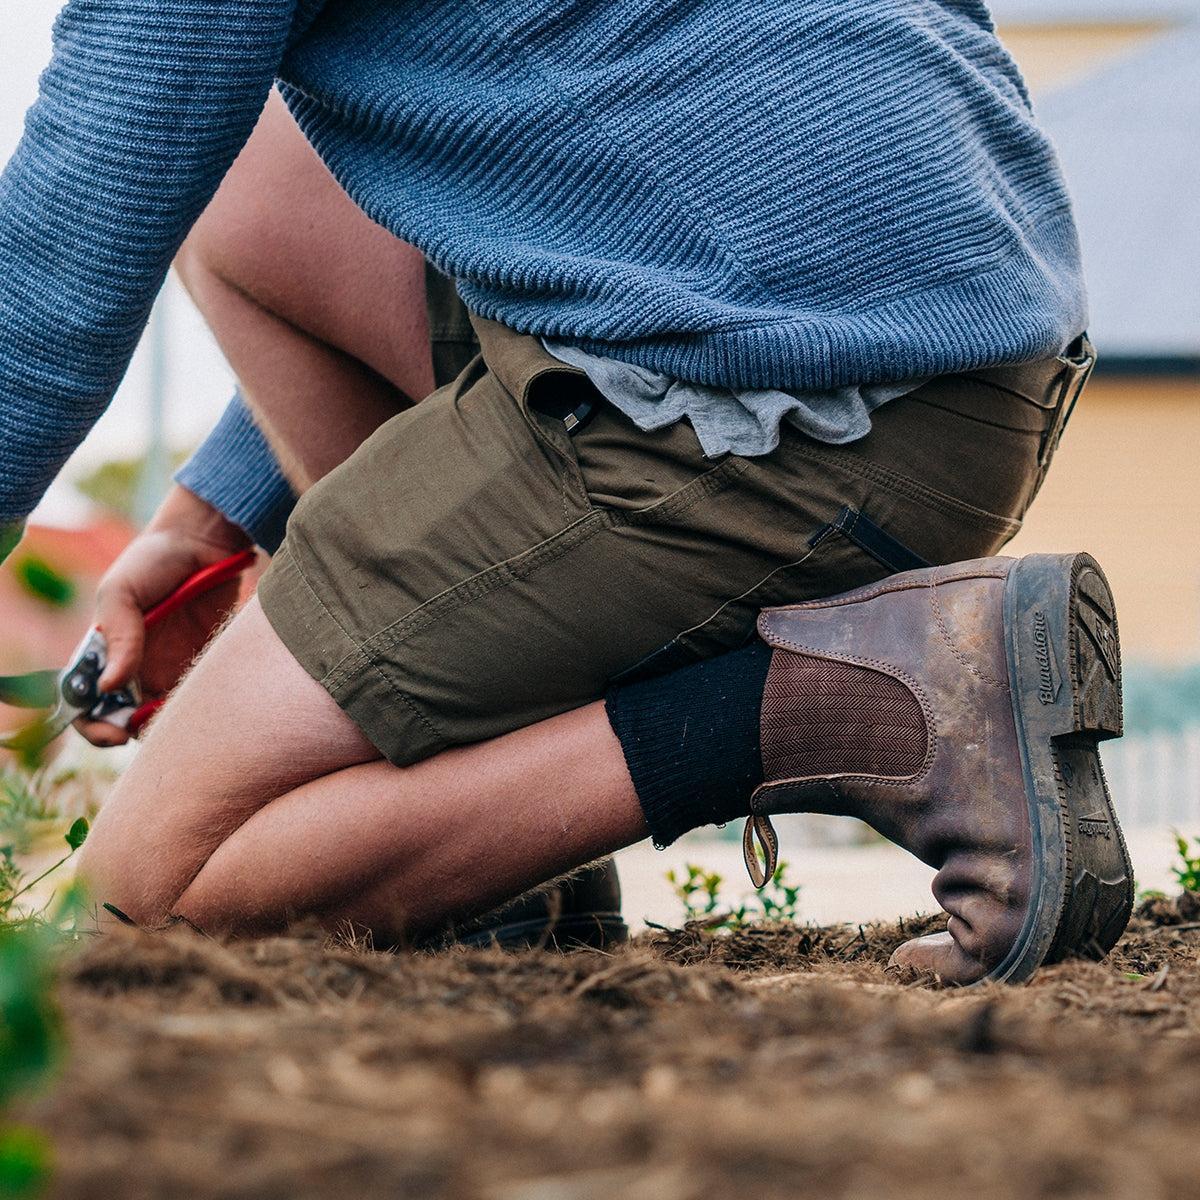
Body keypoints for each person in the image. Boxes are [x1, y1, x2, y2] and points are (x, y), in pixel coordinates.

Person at [0, 0, 1132, 984]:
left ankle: (868, 705)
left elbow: (57, 268)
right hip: (955, 347)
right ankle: (485, 853)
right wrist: (209, 514)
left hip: (788, 408)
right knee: (245, 173)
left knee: (141, 905)